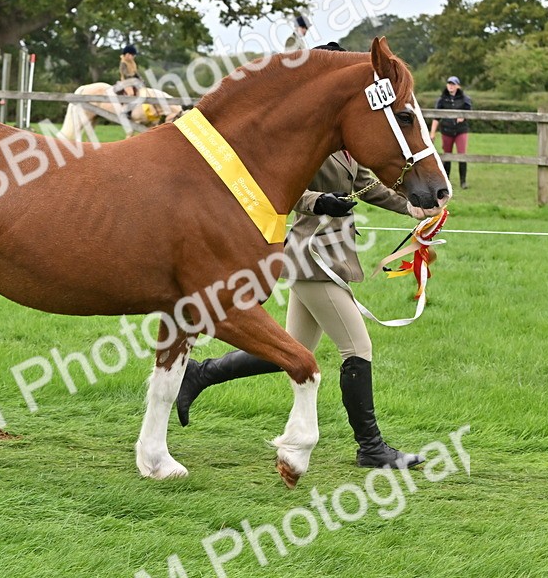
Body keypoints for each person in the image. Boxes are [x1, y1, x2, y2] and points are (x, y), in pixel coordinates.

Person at [174, 43, 424, 470]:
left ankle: (199, 374)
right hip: (313, 257)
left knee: (288, 349)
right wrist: (318, 202)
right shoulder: (306, 139)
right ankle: (371, 447)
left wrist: (413, 207)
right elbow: (283, 192)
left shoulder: (351, 140)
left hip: (336, 254)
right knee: (356, 347)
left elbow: (371, 185)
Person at [431, 76, 472, 190]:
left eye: (453, 84)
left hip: (460, 130)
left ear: (458, 86)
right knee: (447, 155)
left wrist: (463, 116)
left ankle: (463, 181)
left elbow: (469, 113)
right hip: (447, 130)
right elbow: (436, 117)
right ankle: (446, 181)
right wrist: (432, 133)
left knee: (461, 155)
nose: (451, 86)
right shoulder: (442, 99)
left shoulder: (465, 99)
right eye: (449, 84)